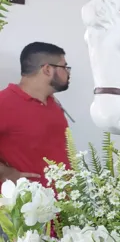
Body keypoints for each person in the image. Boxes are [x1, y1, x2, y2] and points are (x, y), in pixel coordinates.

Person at [0, 42, 72, 185]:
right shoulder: (4, 103)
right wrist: (5, 172)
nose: (68, 72)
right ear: (47, 69)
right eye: (64, 67)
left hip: (66, 204)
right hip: (25, 205)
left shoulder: (53, 103)